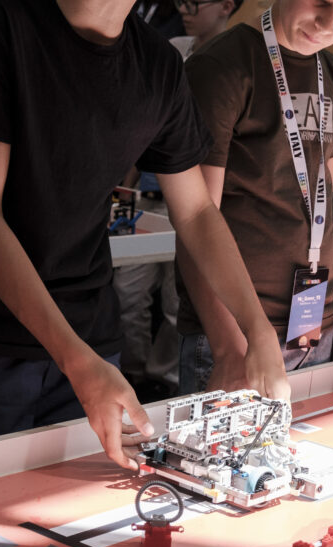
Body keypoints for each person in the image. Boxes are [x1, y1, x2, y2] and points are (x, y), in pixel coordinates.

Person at [0, 0, 288, 467]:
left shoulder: (156, 63)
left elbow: (198, 211)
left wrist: (256, 330)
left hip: (89, 341)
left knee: (83, 508)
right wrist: (77, 360)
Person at [180, 0, 333, 396]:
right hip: (239, 336)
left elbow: (325, 209)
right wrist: (229, 348)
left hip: (315, 326)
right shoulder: (221, 67)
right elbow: (195, 221)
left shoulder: (330, 71)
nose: (329, 23)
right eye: (322, 2)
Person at [112, 0, 245, 398]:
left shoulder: (230, 63)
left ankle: (162, 380)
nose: (185, 9)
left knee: (176, 303)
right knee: (127, 289)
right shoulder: (170, 48)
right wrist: (125, 186)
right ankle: (132, 372)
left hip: (193, 201)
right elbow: (141, 127)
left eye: (195, 2)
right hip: (146, 193)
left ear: (226, 6)